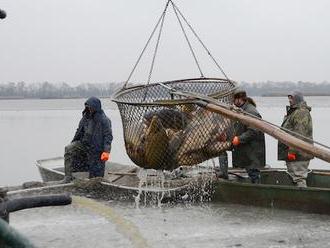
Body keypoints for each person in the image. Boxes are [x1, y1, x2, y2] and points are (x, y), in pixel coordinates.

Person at [63, 97, 113, 182]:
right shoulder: (85, 118)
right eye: (87, 106)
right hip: (83, 144)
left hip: (96, 148)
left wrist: (106, 151)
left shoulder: (104, 120)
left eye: (90, 106)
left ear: (96, 107)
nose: (88, 108)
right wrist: (73, 142)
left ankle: (94, 183)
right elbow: (78, 131)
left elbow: (108, 136)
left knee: (95, 175)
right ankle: (68, 177)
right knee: (69, 149)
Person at [278, 91, 313, 187]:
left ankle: (303, 198)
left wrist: (292, 151)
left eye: (291, 98)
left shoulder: (301, 112)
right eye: (289, 98)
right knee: (293, 176)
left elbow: (299, 134)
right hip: (293, 152)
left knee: (299, 177)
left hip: (299, 153)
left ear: (297, 99)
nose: (289, 100)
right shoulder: (294, 111)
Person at [231, 89, 266, 183]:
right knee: (251, 172)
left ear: (239, 99)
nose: (233, 102)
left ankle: (258, 193)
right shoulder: (241, 110)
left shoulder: (251, 112)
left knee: (254, 174)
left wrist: (239, 138)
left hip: (252, 152)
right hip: (246, 152)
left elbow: (254, 131)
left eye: (234, 100)